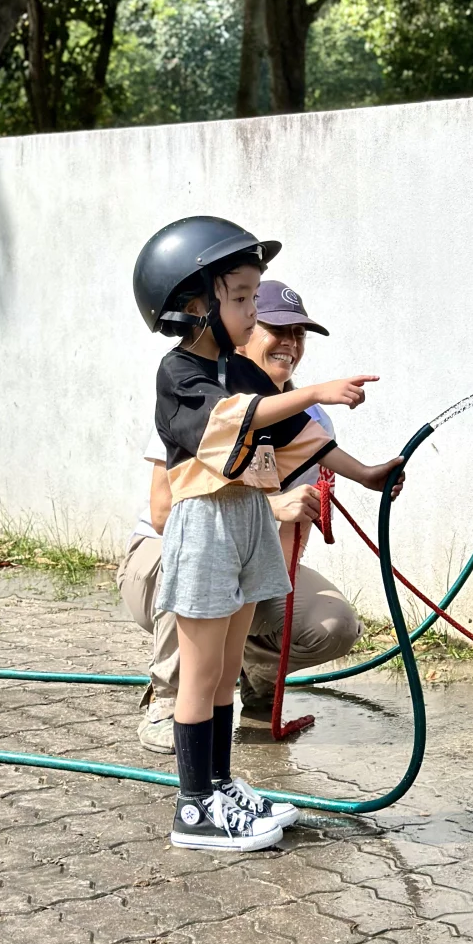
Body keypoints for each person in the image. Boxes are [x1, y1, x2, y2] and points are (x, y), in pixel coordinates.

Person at [132, 215, 403, 852]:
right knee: (200, 675)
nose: (254, 312)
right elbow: (235, 422)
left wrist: (365, 474)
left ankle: (222, 785)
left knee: (226, 669)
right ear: (194, 307)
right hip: (205, 526)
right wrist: (317, 390)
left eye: (255, 296)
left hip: (250, 520)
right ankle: (193, 806)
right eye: (242, 298)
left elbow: (297, 436)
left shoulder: (243, 370)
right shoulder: (180, 375)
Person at [118, 280, 364, 753]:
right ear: (239, 328)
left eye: (300, 333)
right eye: (277, 327)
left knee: (330, 621)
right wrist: (269, 505)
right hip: (164, 554)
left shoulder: (310, 420)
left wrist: (373, 475)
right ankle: (168, 700)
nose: (290, 343)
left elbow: (290, 545)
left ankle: (254, 677)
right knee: (193, 557)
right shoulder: (196, 391)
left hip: (245, 555)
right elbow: (167, 514)